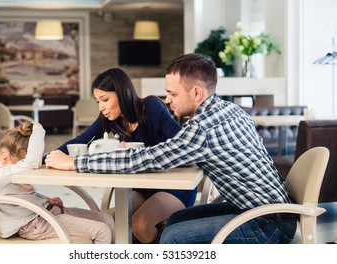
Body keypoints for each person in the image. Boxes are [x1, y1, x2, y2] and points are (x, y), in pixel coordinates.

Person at [45, 53, 298, 244]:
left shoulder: (202, 129)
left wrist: (76, 163)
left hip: (267, 224)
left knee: (173, 237)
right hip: (265, 209)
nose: (167, 100)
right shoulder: (230, 110)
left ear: (196, 92)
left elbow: (144, 159)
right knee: (175, 221)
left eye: (173, 94)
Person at [44, 67, 197, 243]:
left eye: (105, 99)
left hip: (173, 186)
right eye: (98, 102)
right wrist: (46, 158)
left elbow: (184, 143)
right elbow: (81, 140)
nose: (101, 107)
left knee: (140, 224)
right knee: (118, 220)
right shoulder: (109, 119)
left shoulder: (150, 107)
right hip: (142, 185)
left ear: (122, 93)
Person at [0, 121, 115, 244]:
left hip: (45, 212)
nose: (28, 165)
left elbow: (20, 196)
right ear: (5, 158)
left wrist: (46, 200)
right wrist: (38, 129)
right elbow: (32, 163)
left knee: (107, 219)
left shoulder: (6, 170)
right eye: (23, 162)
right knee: (102, 231)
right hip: (32, 224)